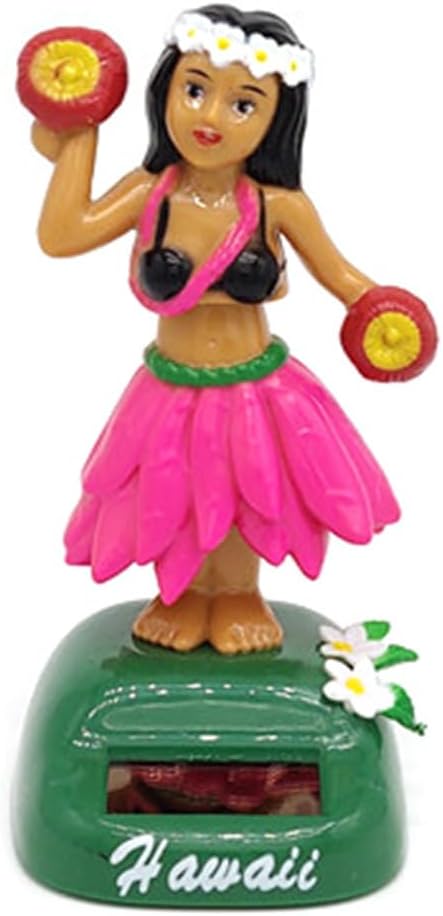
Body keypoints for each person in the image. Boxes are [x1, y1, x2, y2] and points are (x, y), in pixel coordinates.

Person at [31, 5, 413, 655]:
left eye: (242, 104)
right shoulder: (152, 193)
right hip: (171, 387)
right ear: (165, 91)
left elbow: (342, 277)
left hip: (254, 389)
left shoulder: (277, 205)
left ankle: (237, 593)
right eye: (195, 89)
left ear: (275, 120)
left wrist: (386, 319)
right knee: (171, 495)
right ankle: (181, 595)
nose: (209, 117)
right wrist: (79, 141)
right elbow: (62, 234)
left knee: (247, 494)